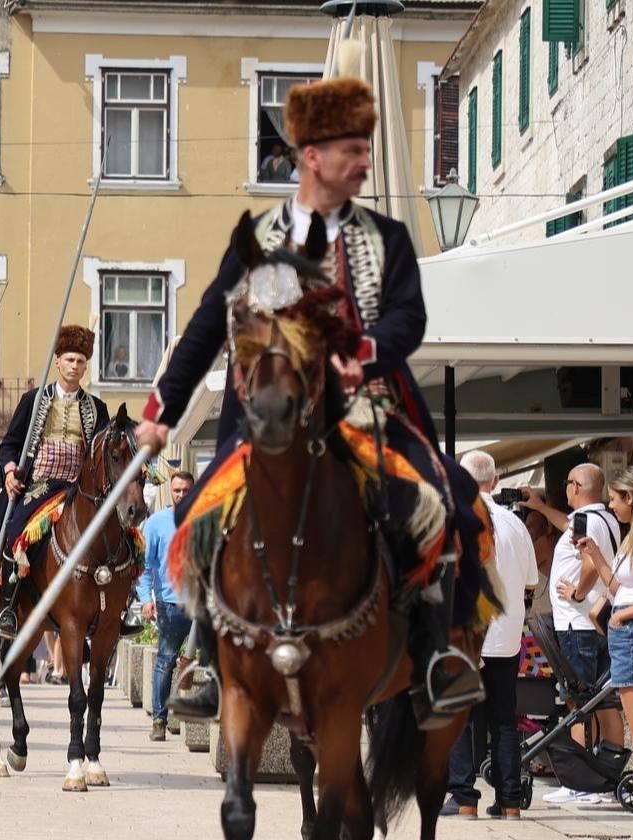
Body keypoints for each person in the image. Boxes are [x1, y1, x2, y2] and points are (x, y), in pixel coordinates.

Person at [134, 77, 486, 726]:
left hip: (366, 406)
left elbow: (408, 317)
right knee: (196, 513)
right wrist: (161, 411)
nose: (364, 161)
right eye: (353, 149)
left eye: (366, 148)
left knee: (447, 502)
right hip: (267, 419)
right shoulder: (258, 239)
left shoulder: (387, 237)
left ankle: (438, 655)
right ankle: (207, 660)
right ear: (313, 156)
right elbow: (207, 328)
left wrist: (365, 351)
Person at [0, 325, 109, 639]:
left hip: (78, 489)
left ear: (85, 367)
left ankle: (115, 610)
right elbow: (11, 443)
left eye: (80, 361)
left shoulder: (97, 408)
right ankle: (9, 607)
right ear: (58, 362)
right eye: (69, 360)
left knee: (117, 536)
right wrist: (10, 472)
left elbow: (102, 454)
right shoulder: (33, 400)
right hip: (39, 484)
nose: (74, 366)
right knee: (15, 532)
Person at [443, 451, 537, 819]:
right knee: (504, 719)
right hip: (507, 635)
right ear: (495, 481)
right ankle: (510, 801)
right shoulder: (516, 524)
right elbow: (531, 581)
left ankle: (464, 798)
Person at [524, 462, 626, 798]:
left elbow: (589, 562)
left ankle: (581, 783)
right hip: (596, 623)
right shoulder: (604, 518)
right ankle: (606, 777)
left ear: (576, 487)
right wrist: (541, 507)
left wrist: (578, 593)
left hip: (577, 623)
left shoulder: (585, 520)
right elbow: (568, 526)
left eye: (568, 483)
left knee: (578, 703)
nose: (566, 488)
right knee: (604, 701)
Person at [572, 466, 633, 836]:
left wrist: (623, 617)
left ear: (630, 498)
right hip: (629, 635)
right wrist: (595, 555)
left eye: (615, 499)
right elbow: (621, 589)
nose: (611, 505)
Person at [141, 470, 195, 741]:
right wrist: (145, 599)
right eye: (177, 490)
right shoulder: (155, 523)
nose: (182, 495)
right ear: (170, 492)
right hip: (169, 604)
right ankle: (159, 721)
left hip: (202, 604)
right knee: (165, 661)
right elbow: (145, 566)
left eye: (187, 490)